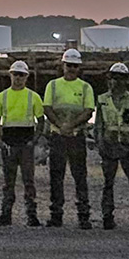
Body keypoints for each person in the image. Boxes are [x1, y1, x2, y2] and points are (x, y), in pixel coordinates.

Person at [43, 49, 95, 229]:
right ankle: (56, 214)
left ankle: (83, 215)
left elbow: (88, 111)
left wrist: (70, 126)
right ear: (62, 66)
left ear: (79, 67)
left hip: (76, 137)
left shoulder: (85, 87)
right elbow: (47, 108)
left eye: (74, 66)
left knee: (80, 176)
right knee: (56, 176)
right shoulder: (53, 85)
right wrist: (61, 125)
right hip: (58, 137)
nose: (71, 68)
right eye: (68, 65)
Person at [0, 60, 45, 227]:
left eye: (21, 75)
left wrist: (34, 140)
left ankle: (31, 215)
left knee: (29, 180)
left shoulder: (33, 97)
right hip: (9, 143)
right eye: (15, 74)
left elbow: (41, 121)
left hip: (25, 143)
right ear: (10, 75)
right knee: (8, 182)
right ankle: (6, 215)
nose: (18, 78)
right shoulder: (2, 97)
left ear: (26, 77)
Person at [94, 62, 129, 231]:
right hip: (109, 147)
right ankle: (107, 217)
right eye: (114, 78)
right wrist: (100, 145)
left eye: (120, 78)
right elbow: (98, 126)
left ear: (126, 80)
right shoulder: (102, 100)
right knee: (108, 185)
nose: (116, 81)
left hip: (127, 147)